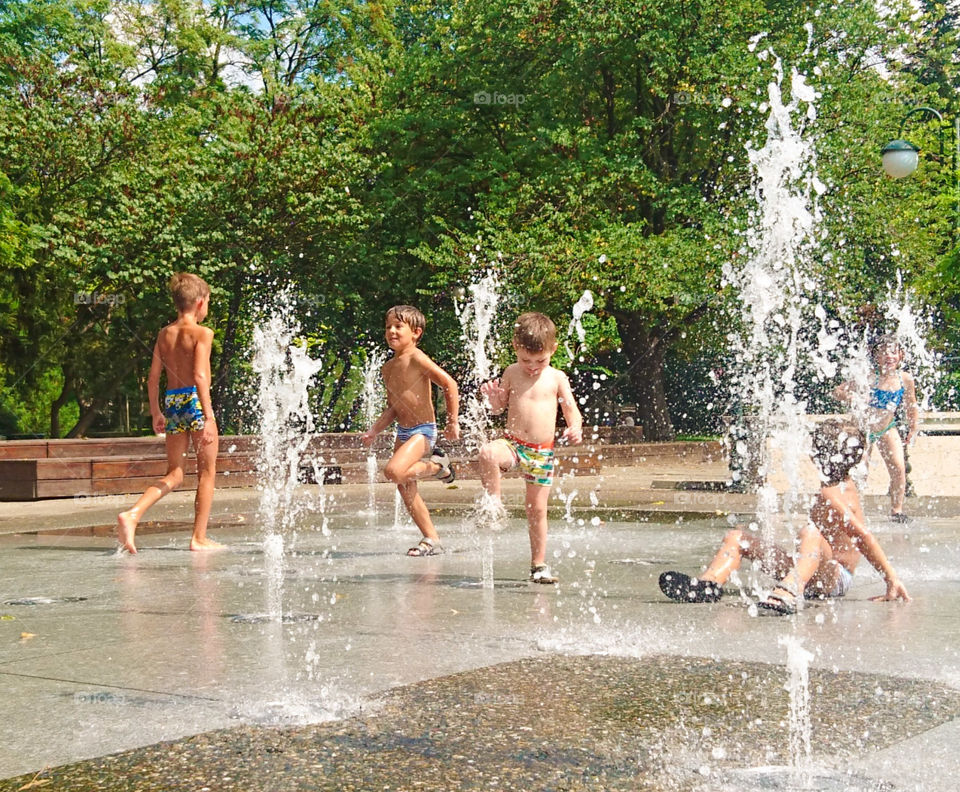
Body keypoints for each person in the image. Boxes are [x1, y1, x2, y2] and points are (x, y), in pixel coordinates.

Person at [659, 419, 911, 614]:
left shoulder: (833, 494)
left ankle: (789, 591)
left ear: (815, 456)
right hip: (811, 567)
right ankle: (708, 584)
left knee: (810, 533)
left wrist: (891, 578)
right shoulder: (840, 484)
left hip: (835, 577)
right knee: (737, 538)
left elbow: (863, 535)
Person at [117, 273, 221, 554]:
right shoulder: (203, 333)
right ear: (200, 303)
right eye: (208, 301)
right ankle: (198, 538)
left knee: (175, 473)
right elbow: (200, 376)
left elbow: (153, 378)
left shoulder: (165, 334)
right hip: (196, 403)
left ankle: (134, 514)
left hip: (173, 402)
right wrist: (209, 418)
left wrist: (155, 412)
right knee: (207, 472)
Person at [478, 312, 584, 584]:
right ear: (516, 347)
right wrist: (492, 400)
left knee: (536, 509)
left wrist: (575, 427)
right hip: (513, 444)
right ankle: (494, 504)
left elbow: (571, 409)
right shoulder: (511, 372)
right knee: (487, 453)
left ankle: (538, 565)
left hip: (541, 451)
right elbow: (499, 407)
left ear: (553, 350)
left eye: (541, 360)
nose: (533, 366)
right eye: (526, 360)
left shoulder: (557, 377)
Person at [361, 305, 460, 556]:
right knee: (405, 486)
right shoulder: (388, 368)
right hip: (403, 432)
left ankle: (439, 467)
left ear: (415, 332)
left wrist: (453, 421)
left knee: (394, 471)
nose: (391, 331)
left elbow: (449, 384)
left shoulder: (417, 357)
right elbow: (393, 408)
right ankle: (431, 538)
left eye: (398, 326)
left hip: (423, 431)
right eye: (388, 327)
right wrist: (374, 430)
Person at [834, 334, 919, 521]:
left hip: (887, 428)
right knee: (859, 471)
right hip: (862, 429)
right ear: (876, 356)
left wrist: (912, 427)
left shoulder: (904, 379)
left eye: (893, 352)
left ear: (901, 355)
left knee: (898, 467)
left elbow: (911, 405)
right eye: (884, 352)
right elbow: (837, 391)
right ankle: (853, 509)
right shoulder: (869, 377)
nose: (889, 356)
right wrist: (852, 397)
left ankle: (897, 511)